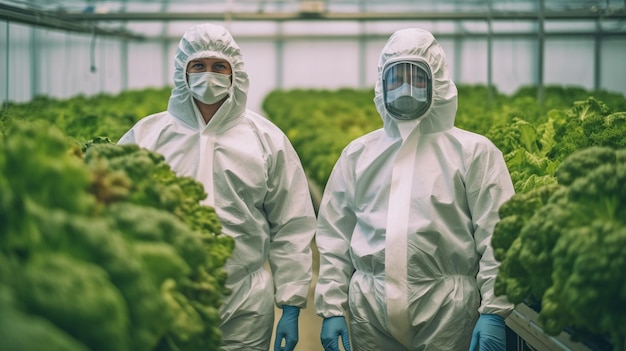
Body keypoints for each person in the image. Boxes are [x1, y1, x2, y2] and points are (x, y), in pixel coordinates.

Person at [118, 23, 317, 351]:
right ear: (183, 71)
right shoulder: (147, 135)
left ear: (234, 72)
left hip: (244, 302)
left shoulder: (266, 140)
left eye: (218, 66)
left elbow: (291, 224)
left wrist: (291, 303)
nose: (208, 75)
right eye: (198, 65)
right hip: (165, 295)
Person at [314, 28, 515, 351]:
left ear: (438, 82)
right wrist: (331, 306)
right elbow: (334, 237)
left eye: (417, 78)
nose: (406, 87)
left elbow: (498, 236)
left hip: (448, 312)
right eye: (396, 78)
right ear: (382, 84)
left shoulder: (474, 152)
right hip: (371, 312)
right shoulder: (358, 154)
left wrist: (494, 309)